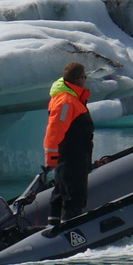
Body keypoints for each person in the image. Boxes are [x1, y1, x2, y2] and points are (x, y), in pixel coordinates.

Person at [43, 61, 93, 225]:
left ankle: (55, 227)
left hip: (74, 156)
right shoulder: (66, 101)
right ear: (79, 79)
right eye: (84, 77)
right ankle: (70, 232)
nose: (85, 80)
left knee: (60, 192)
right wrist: (51, 157)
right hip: (71, 157)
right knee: (74, 195)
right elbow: (55, 129)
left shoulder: (71, 98)